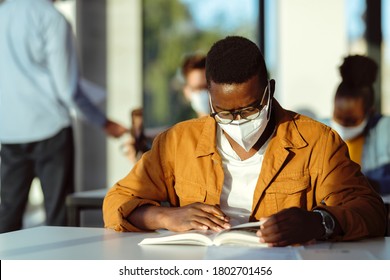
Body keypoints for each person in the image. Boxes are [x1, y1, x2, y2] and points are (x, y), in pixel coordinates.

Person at [103, 36, 386, 246]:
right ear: (211, 101)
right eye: (224, 112)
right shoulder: (178, 142)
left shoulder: (315, 142)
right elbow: (115, 202)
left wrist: (318, 222)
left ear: (270, 90)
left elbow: (371, 211)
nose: (238, 122)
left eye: (250, 109)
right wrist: (165, 217)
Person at [0, 0, 127, 233]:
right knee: (59, 220)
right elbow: (66, 89)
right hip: (50, 129)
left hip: (8, 132)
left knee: (7, 217)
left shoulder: (2, 13)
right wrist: (103, 122)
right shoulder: (52, 18)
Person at [323, 55, 390, 195]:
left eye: (351, 121)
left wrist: (366, 185)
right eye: (338, 117)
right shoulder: (318, 131)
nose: (343, 125)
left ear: (370, 112)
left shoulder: (384, 130)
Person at [181, 53, 210, 118]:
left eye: (207, 87)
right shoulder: (183, 128)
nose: (204, 92)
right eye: (198, 88)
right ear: (186, 91)